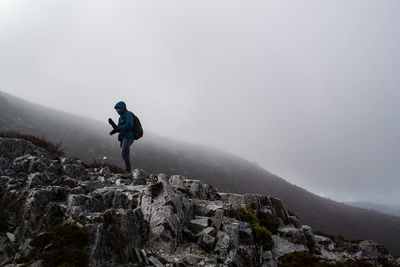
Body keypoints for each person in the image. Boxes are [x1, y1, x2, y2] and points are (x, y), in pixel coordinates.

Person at [108, 101, 135, 178]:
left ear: (122, 108)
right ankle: (127, 171)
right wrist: (113, 126)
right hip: (122, 137)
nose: (117, 110)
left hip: (128, 137)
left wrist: (117, 128)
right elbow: (119, 129)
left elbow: (129, 125)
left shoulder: (128, 114)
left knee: (124, 154)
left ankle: (128, 171)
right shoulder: (120, 118)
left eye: (118, 109)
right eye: (116, 109)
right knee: (124, 154)